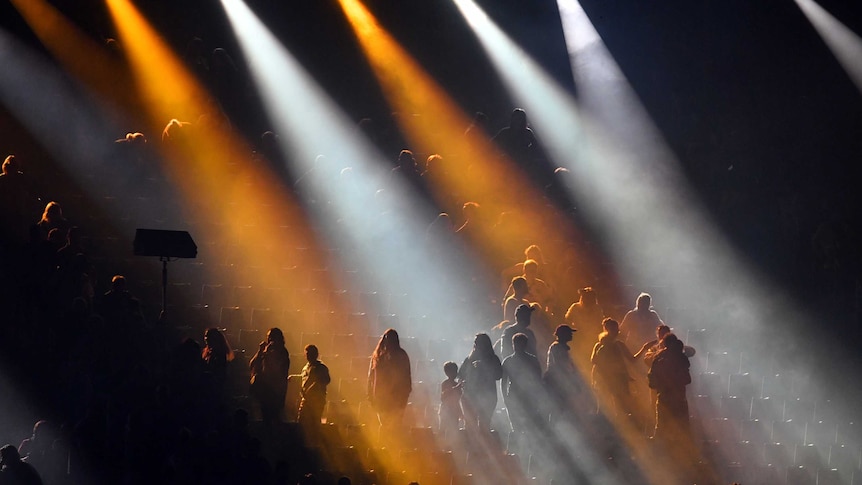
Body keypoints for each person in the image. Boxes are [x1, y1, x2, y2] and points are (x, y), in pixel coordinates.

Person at [591, 318, 651, 424]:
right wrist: (644, 348)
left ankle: (605, 427)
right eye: (616, 329)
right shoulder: (618, 344)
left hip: (603, 377)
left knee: (604, 403)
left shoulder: (599, 345)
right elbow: (633, 359)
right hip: (618, 378)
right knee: (620, 404)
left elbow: (594, 361)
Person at [648, 334, 692, 441]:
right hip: (679, 398)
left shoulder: (658, 358)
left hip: (664, 397)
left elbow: (652, 383)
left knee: (662, 427)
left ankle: (657, 452)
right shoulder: (681, 358)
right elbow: (688, 379)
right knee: (683, 428)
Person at [367, 329, 412, 430]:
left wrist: (405, 395)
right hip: (382, 398)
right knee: (385, 427)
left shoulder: (400, 356)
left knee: (393, 427)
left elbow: (406, 377)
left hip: (396, 399)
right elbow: (371, 377)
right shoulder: (378, 356)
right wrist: (370, 395)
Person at [459, 333, 502, 432]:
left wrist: (484, 367)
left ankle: (484, 446)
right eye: (475, 342)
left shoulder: (493, 359)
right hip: (470, 396)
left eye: (478, 343)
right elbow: (460, 374)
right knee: (470, 425)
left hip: (487, 395)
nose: (475, 345)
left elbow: (498, 375)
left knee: (484, 425)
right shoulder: (469, 358)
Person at [501, 333, 543, 433]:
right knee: (519, 425)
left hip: (525, 395)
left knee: (524, 425)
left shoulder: (509, 361)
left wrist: (505, 397)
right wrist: (505, 398)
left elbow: (538, 380)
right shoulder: (531, 360)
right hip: (518, 395)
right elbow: (503, 382)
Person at [249, 328, 291, 424]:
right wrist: (260, 351)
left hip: (276, 391)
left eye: (272, 337)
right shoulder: (265, 351)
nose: (270, 340)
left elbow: (275, 369)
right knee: (265, 416)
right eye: (268, 337)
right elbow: (252, 364)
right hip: (265, 390)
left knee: (274, 417)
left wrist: (266, 353)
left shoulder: (283, 352)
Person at [298, 344, 331, 427]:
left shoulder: (321, 368)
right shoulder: (306, 367)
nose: (308, 355)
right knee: (302, 422)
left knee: (314, 423)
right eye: (307, 353)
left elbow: (326, 380)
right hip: (306, 400)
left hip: (316, 401)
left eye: (310, 353)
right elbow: (304, 378)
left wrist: (312, 389)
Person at [439, 361, 462, 438]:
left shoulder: (457, 384)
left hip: (454, 410)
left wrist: (460, 412)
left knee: (454, 430)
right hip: (445, 410)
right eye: (453, 371)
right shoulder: (445, 383)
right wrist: (456, 388)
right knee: (443, 428)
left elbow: (458, 399)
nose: (455, 373)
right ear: (447, 372)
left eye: (456, 371)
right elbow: (443, 396)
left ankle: (452, 445)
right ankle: (441, 445)